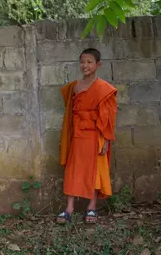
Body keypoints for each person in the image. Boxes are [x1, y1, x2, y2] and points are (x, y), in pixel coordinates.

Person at [56, 48, 118, 224]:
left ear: (98, 64)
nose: (85, 65)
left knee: (94, 170)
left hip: (95, 135)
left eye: (89, 62)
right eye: (82, 62)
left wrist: (105, 139)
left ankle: (91, 207)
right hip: (77, 134)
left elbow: (108, 117)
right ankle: (69, 208)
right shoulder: (74, 87)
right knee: (73, 169)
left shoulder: (104, 89)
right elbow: (71, 112)